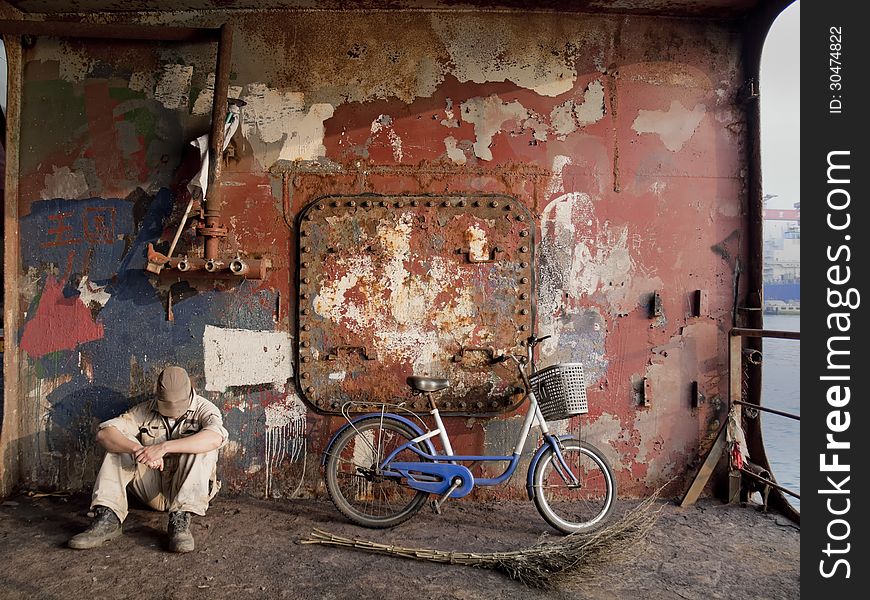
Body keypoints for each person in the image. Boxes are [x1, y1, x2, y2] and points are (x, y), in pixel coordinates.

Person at [68, 365, 228, 553]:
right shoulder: (145, 409)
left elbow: (215, 438)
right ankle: (108, 519)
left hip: (187, 490)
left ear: (192, 392)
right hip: (152, 490)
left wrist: (163, 448)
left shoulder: (205, 409)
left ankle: (180, 523)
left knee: (204, 448)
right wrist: (139, 450)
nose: (174, 411)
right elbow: (104, 434)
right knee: (118, 445)